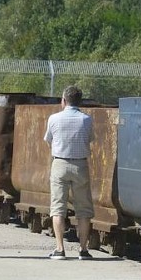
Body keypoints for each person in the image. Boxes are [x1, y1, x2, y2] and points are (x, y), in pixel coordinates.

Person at [44, 85, 94, 260]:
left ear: (63, 100)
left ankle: (59, 248)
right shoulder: (86, 119)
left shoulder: (54, 118)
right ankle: (83, 249)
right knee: (84, 209)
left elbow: (48, 140)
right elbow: (90, 139)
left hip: (60, 163)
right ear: (80, 101)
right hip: (80, 164)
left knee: (58, 207)